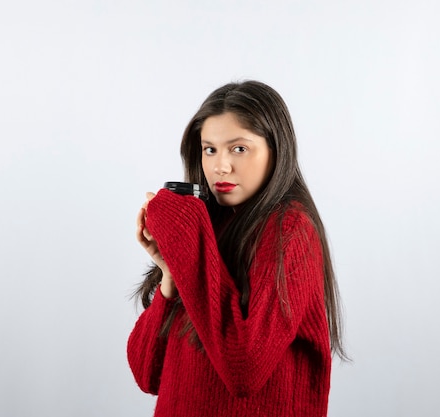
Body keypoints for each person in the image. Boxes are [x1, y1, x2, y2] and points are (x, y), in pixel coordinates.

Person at [127, 80, 346, 417]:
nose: (220, 167)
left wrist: (187, 240)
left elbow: (244, 370)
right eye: (209, 149)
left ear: (276, 149)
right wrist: (171, 274)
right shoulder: (208, 227)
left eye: (239, 149)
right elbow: (147, 375)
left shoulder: (290, 230)